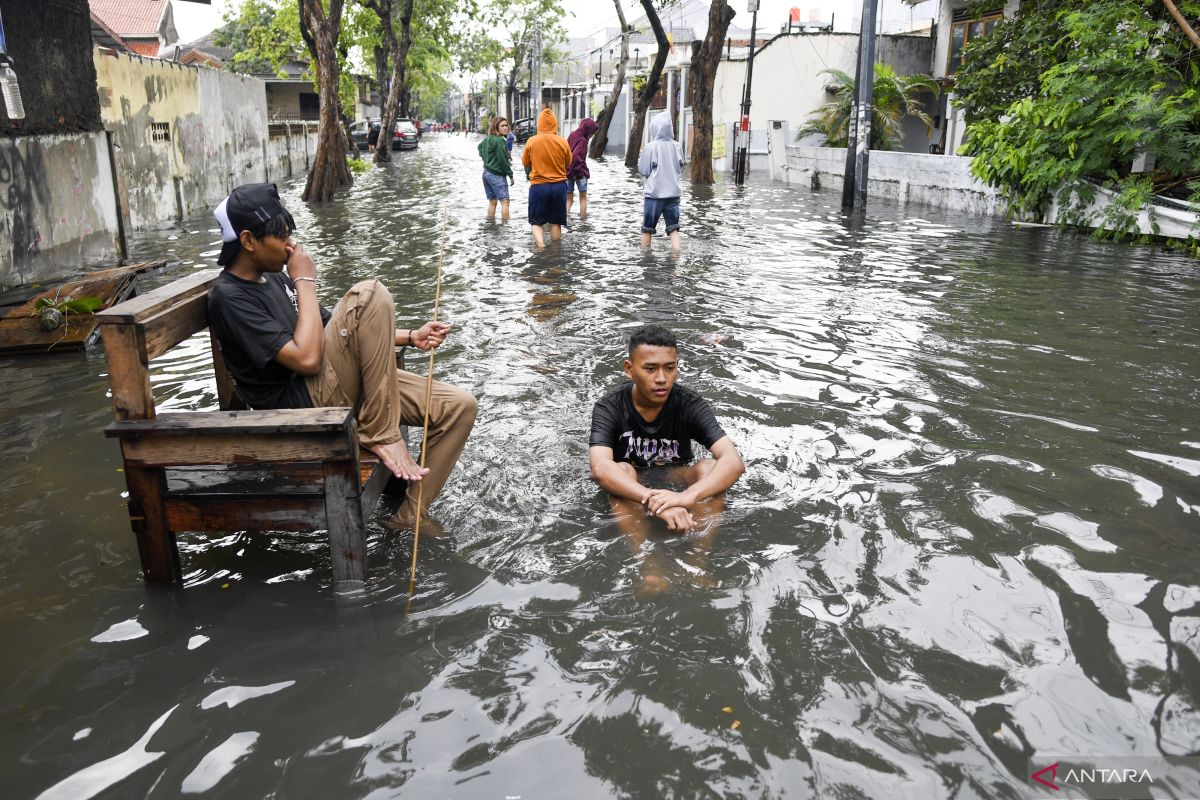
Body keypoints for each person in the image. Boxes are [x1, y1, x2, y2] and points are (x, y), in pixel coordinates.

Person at [206, 183, 477, 529]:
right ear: (247, 241)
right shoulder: (229, 298)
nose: (292, 246)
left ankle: (409, 518)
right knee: (369, 293)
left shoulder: (273, 278)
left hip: (330, 384)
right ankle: (380, 433)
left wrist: (410, 336)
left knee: (459, 406)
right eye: (281, 237)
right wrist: (304, 279)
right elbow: (307, 360)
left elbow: (336, 327)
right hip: (301, 406)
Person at [588, 324, 745, 593]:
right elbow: (600, 468)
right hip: (634, 488)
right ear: (629, 369)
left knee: (709, 467)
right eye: (650, 369)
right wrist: (655, 500)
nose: (662, 378)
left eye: (670, 368)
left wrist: (687, 497)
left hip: (677, 480)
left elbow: (733, 461)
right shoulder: (610, 406)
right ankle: (648, 566)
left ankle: (696, 561)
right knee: (621, 469)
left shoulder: (689, 404)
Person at [520, 107, 571, 248]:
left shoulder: (532, 141)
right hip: (559, 187)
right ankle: (555, 253)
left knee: (536, 222)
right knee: (556, 222)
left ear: (539, 124)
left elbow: (525, 162)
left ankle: (541, 247)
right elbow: (568, 162)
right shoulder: (563, 142)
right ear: (555, 123)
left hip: (539, 186)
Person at [638, 111, 683, 251]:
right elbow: (680, 166)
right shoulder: (677, 146)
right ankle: (676, 257)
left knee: (648, 229)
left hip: (654, 196)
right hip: (673, 195)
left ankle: (645, 260)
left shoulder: (651, 146)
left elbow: (644, 170)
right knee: (673, 229)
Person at [478, 116, 514, 221]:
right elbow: (503, 161)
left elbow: (480, 149)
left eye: (506, 125)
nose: (505, 128)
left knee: (492, 202)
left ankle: (490, 224)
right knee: (505, 202)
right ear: (496, 127)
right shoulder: (499, 141)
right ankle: (506, 229)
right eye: (502, 126)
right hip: (496, 175)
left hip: (486, 173)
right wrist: (510, 174)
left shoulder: (487, 139)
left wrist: (487, 160)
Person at [566, 117, 598, 216]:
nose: (592, 135)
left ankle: (563, 218)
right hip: (580, 171)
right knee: (583, 199)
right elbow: (576, 156)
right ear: (587, 129)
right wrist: (579, 172)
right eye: (592, 133)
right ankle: (583, 222)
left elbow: (565, 151)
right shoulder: (583, 140)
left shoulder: (572, 135)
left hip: (568, 171)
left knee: (568, 199)